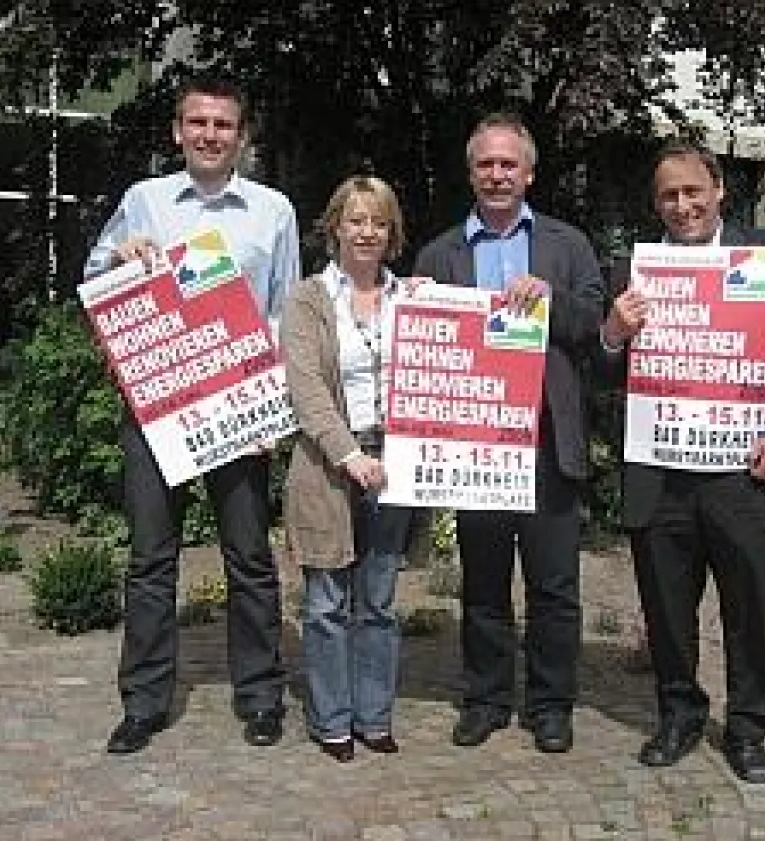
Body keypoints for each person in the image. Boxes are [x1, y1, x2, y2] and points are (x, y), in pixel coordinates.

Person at [84, 76, 300, 754]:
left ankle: (261, 695)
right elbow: (93, 284)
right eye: (198, 122)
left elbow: (284, 313)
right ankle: (144, 702)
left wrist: (272, 408)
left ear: (242, 135)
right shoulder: (142, 201)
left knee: (250, 558)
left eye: (223, 124)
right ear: (177, 130)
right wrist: (119, 256)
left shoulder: (273, 212)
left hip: (237, 410)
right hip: (156, 411)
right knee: (151, 560)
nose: (210, 134)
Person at [600, 142, 765, 783]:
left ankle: (749, 728)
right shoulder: (633, 269)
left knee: (748, 607)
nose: (682, 206)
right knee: (666, 609)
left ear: (719, 188)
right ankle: (678, 716)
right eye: (668, 195)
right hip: (660, 471)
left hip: (743, 473)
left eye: (693, 191)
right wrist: (614, 333)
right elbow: (599, 371)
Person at [413, 113, 604, 753]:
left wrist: (550, 299)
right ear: (470, 173)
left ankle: (551, 706)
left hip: (547, 442)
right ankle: (486, 698)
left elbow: (597, 332)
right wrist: (408, 306)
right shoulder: (439, 254)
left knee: (554, 588)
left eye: (508, 165)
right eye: (485, 165)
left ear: (529, 172)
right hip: (476, 449)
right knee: (484, 585)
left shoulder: (567, 245)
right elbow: (417, 350)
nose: (497, 175)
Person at [281, 175, 414, 763]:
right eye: (356, 220)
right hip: (327, 465)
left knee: (380, 601)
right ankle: (332, 718)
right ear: (334, 226)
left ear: (391, 233)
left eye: (378, 221)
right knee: (327, 602)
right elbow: (306, 388)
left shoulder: (411, 297)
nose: (367, 231)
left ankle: (374, 714)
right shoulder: (308, 299)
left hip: (396, 462)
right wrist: (349, 454)